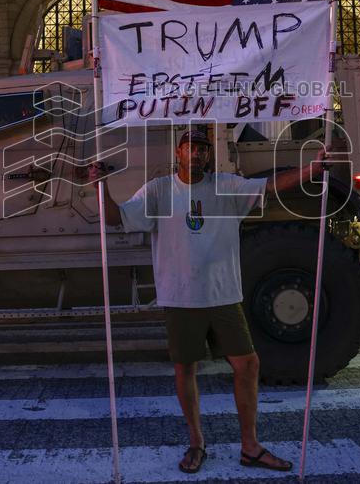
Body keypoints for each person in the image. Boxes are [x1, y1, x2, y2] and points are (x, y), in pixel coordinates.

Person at [89, 128, 329, 474]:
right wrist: (101, 185)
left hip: (223, 295)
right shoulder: (158, 190)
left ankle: (250, 446)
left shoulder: (226, 185)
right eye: (190, 148)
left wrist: (311, 170)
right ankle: (196, 442)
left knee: (248, 364)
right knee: (186, 368)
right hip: (180, 296)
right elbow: (116, 218)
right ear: (178, 154)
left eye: (202, 149)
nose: (197, 154)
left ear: (208, 155)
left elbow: (270, 187)